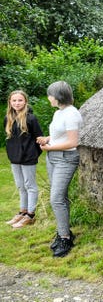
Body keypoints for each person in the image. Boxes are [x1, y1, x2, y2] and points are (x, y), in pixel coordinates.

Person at [37, 81, 83, 257]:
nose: (49, 98)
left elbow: (73, 142)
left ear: (58, 96)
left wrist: (50, 148)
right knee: (60, 197)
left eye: (50, 95)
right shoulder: (59, 113)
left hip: (66, 158)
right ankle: (63, 232)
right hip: (54, 158)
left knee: (56, 198)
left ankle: (65, 237)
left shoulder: (71, 114)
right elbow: (60, 135)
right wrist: (47, 139)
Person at [4, 90, 43, 229]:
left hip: (28, 158)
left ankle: (31, 215)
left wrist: (32, 154)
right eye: (14, 100)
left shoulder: (31, 118)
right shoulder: (7, 118)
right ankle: (22, 211)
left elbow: (39, 139)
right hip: (14, 158)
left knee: (30, 186)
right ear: (10, 102)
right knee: (21, 185)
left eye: (20, 100)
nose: (17, 103)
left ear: (25, 101)